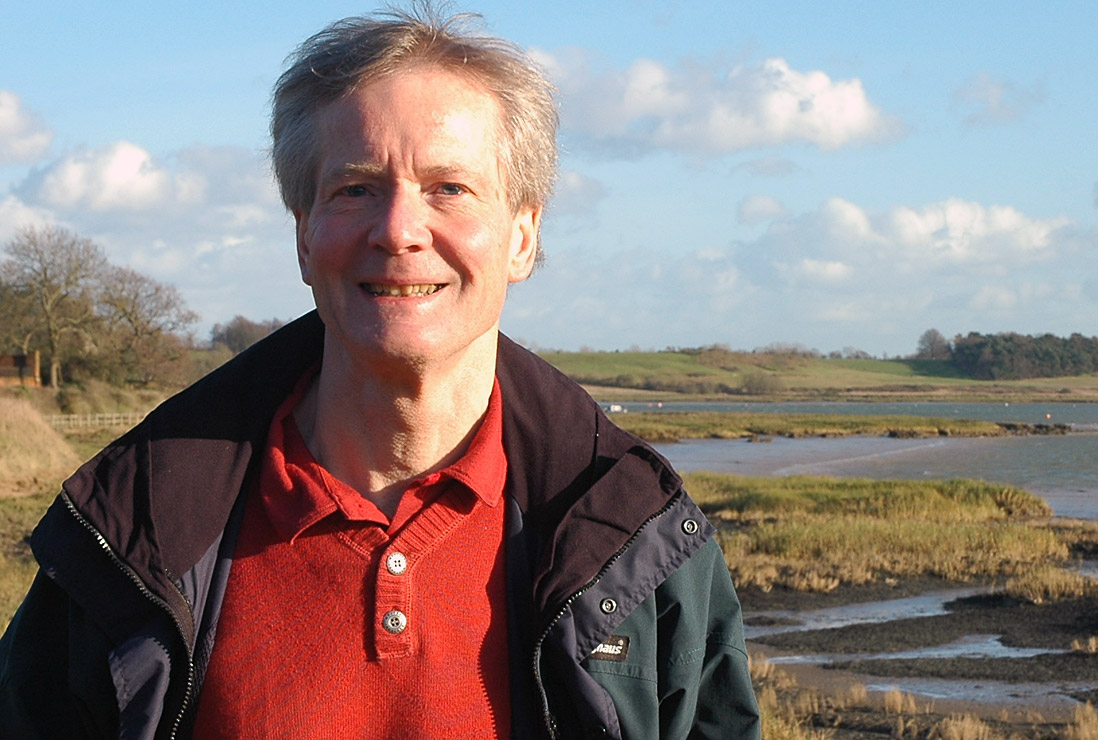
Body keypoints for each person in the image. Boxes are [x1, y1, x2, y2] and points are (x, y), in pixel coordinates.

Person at [0, 7, 761, 739]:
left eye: (449, 188)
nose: (398, 230)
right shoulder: (131, 531)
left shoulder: (637, 536)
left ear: (523, 237)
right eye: (356, 188)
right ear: (304, 236)